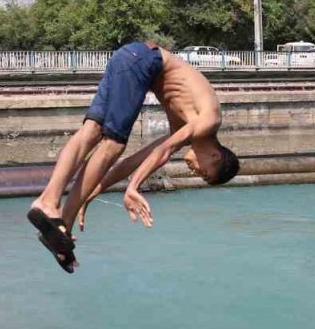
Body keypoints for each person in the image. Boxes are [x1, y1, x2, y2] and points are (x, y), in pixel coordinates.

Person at [26, 40, 240, 273]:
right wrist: (133, 188)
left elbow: (132, 162)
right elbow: (163, 152)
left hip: (129, 57)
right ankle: (54, 209)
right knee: (114, 143)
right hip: (143, 61)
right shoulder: (210, 120)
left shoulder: (188, 128)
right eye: (205, 173)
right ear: (216, 155)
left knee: (91, 132)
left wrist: (93, 191)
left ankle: (55, 216)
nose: (196, 172)